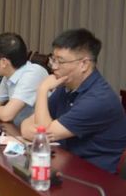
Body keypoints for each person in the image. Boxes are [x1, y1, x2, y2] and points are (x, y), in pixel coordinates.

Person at [20, 29, 126, 173]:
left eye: (60, 61)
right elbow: (29, 124)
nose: (54, 67)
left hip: (95, 176)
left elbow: (43, 132)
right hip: (66, 163)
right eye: (53, 59)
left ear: (84, 64)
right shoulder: (66, 86)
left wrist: (42, 90)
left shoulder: (99, 99)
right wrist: (36, 130)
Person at [0, 33, 48, 126]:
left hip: (37, 132)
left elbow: (6, 115)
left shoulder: (33, 74)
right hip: (18, 128)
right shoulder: (9, 73)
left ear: (4, 62)